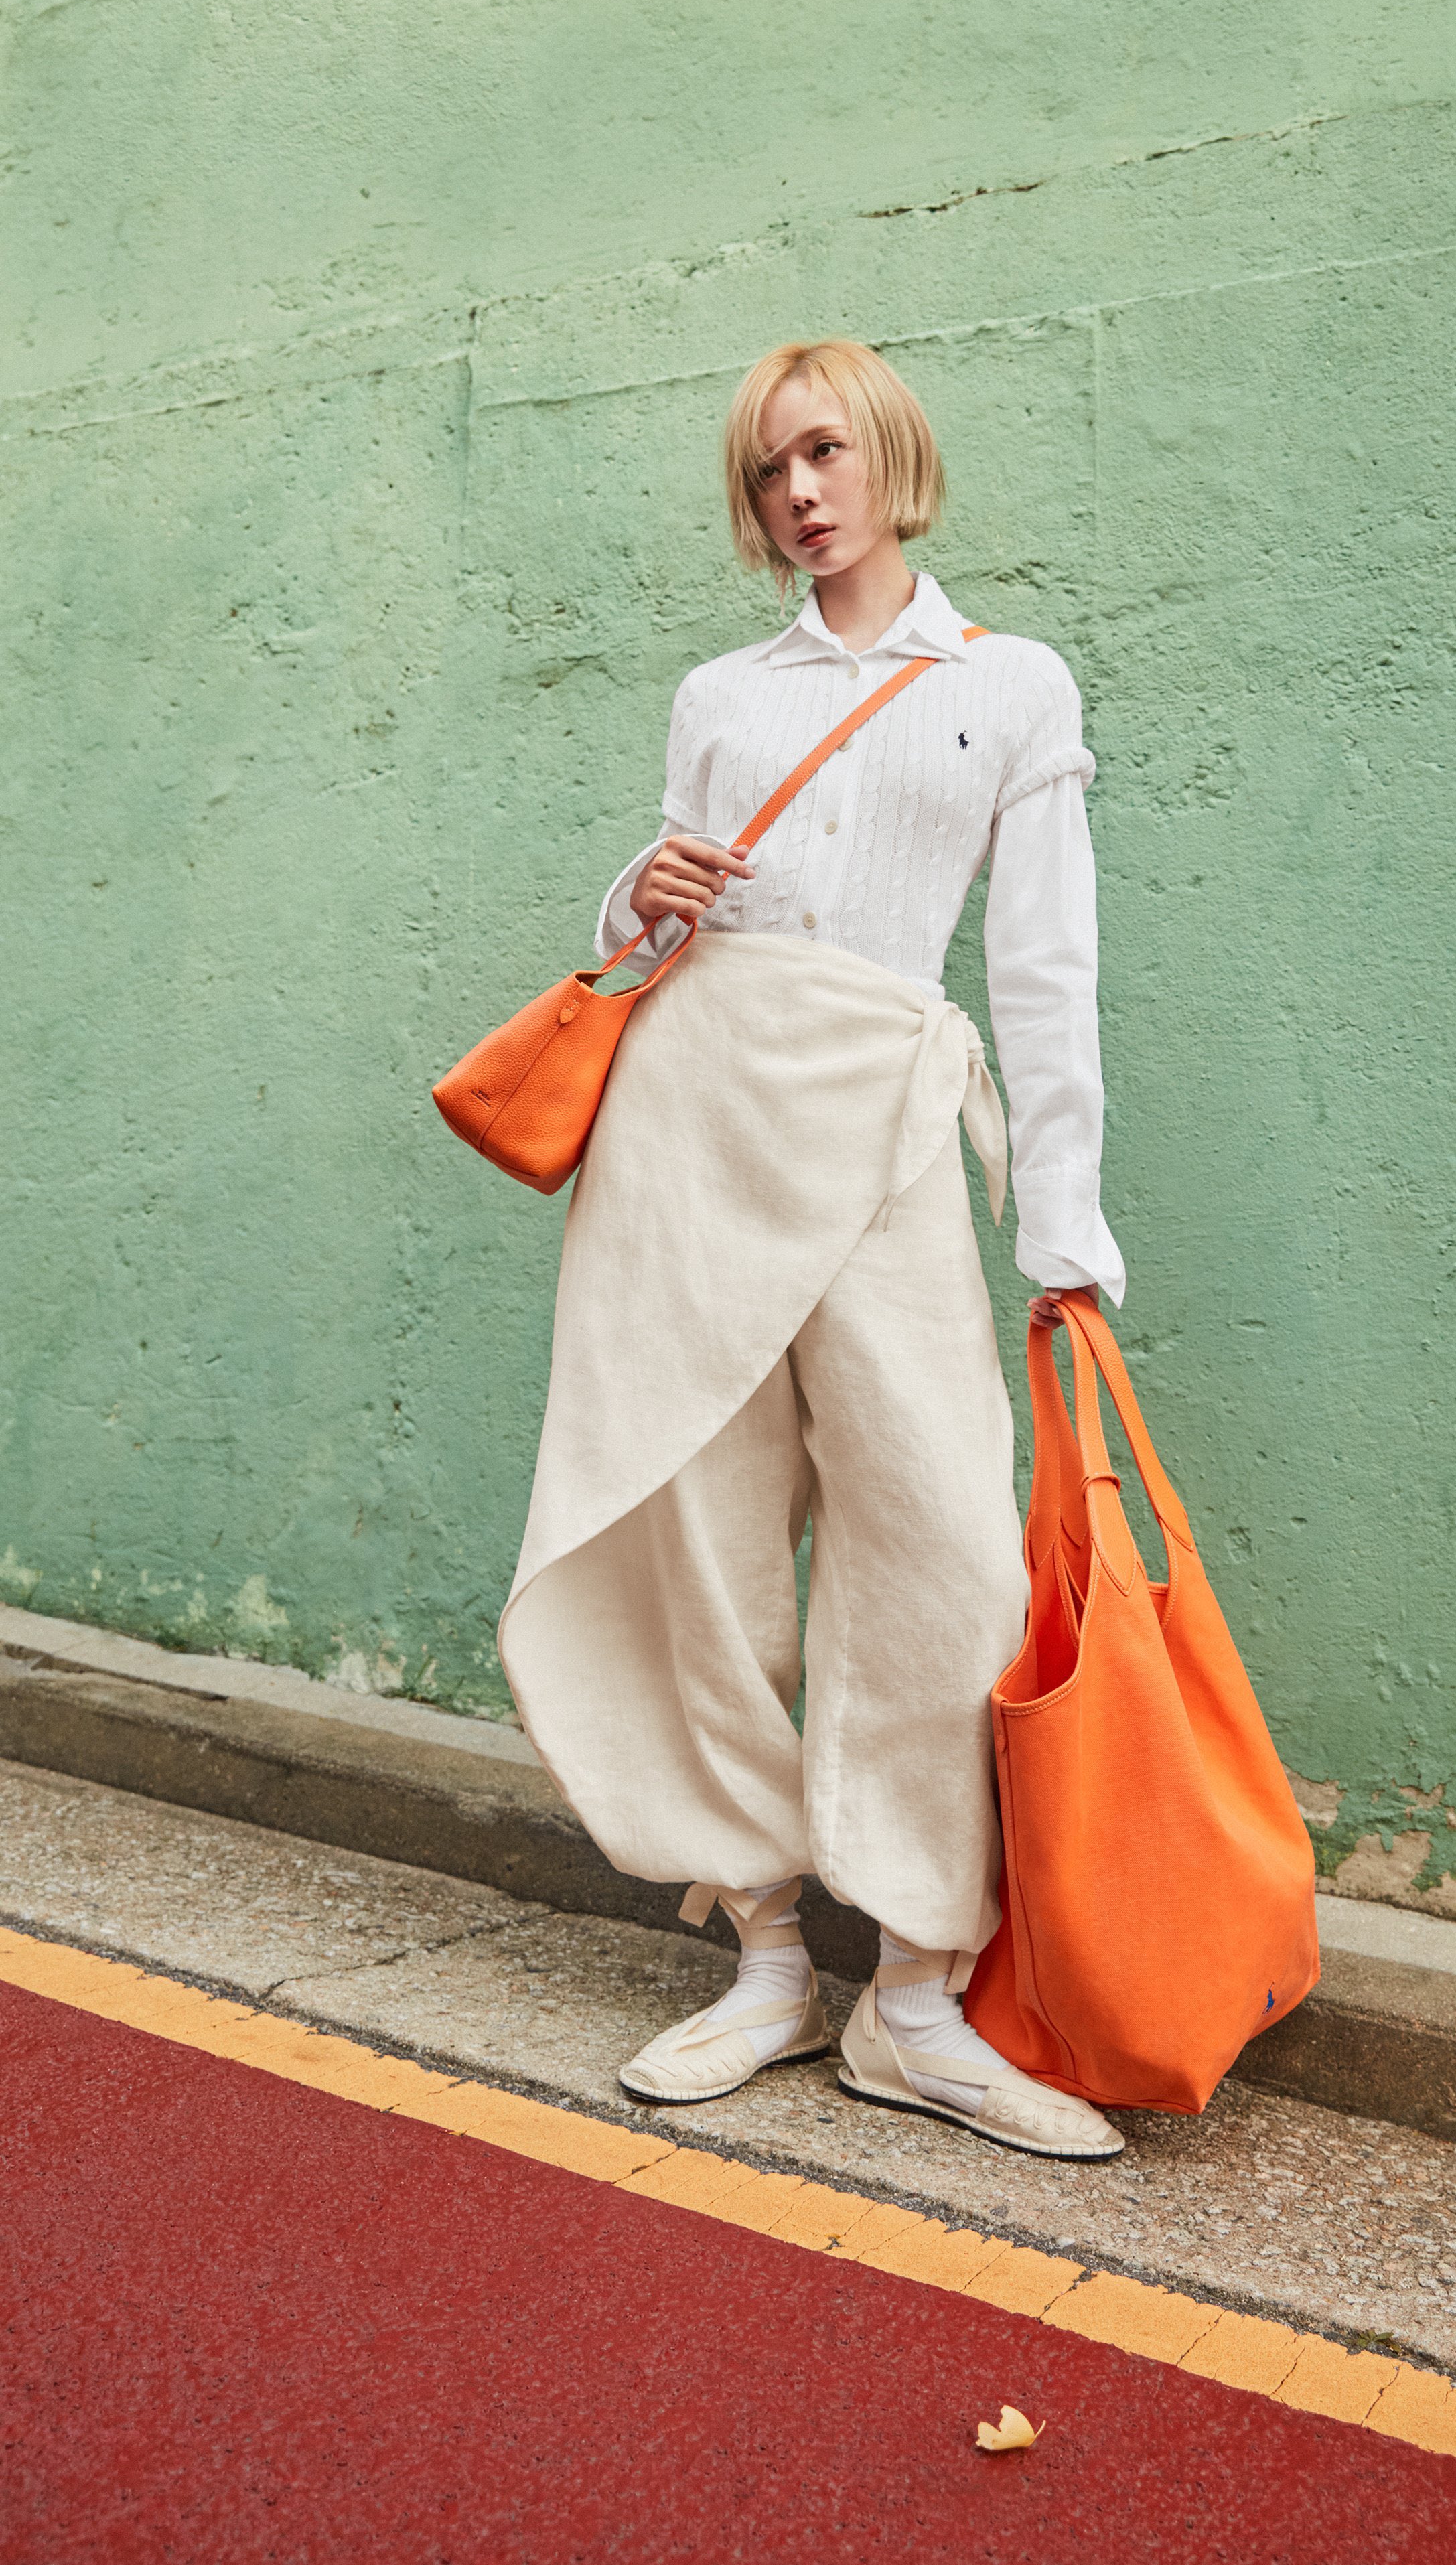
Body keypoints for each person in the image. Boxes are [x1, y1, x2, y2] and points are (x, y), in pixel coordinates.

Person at [499, 340, 1126, 2160]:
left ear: (889, 456)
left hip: (884, 1124)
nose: (799, 493)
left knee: (941, 1538)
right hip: (690, 1125)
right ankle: (766, 1952)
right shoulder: (722, 695)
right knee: (699, 1533)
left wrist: (1063, 1223)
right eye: (768, 471)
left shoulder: (1006, 682)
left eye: (824, 452)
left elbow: (1045, 966)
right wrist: (639, 892)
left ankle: (914, 1995)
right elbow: (658, 942)